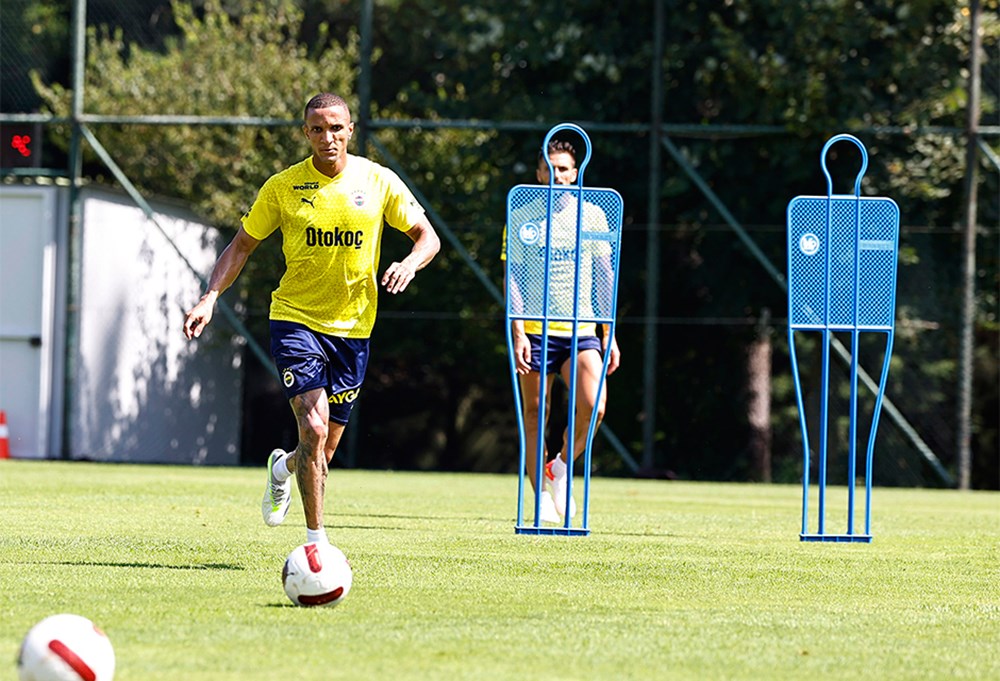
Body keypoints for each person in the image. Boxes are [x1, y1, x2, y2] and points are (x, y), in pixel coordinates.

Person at [183, 92, 440, 545]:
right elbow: (242, 244)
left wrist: (409, 263)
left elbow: (427, 238)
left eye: (336, 128)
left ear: (350, 130)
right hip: (295, 319)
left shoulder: (378, 181)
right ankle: (316, 544)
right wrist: (210, 297)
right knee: (314, 427)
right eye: (318, 129)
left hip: (354, 328)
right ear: (306, 133)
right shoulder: (282, 186)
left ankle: (281, 467)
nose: (328, 138)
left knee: (321, 449)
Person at [502, 139, 620, 524]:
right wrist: (518, 331)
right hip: (534, 330)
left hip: (581, 328)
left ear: (575, 172)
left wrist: (610, 332)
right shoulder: (521, 216)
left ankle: (562, 464)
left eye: (565, 169)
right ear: (539, 173)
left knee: (595, 404)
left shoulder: (593, 217)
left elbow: (604, 276)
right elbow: (513, 277)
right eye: (550, 168)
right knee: (536, 412)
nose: (557, 176)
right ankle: (539, 499)